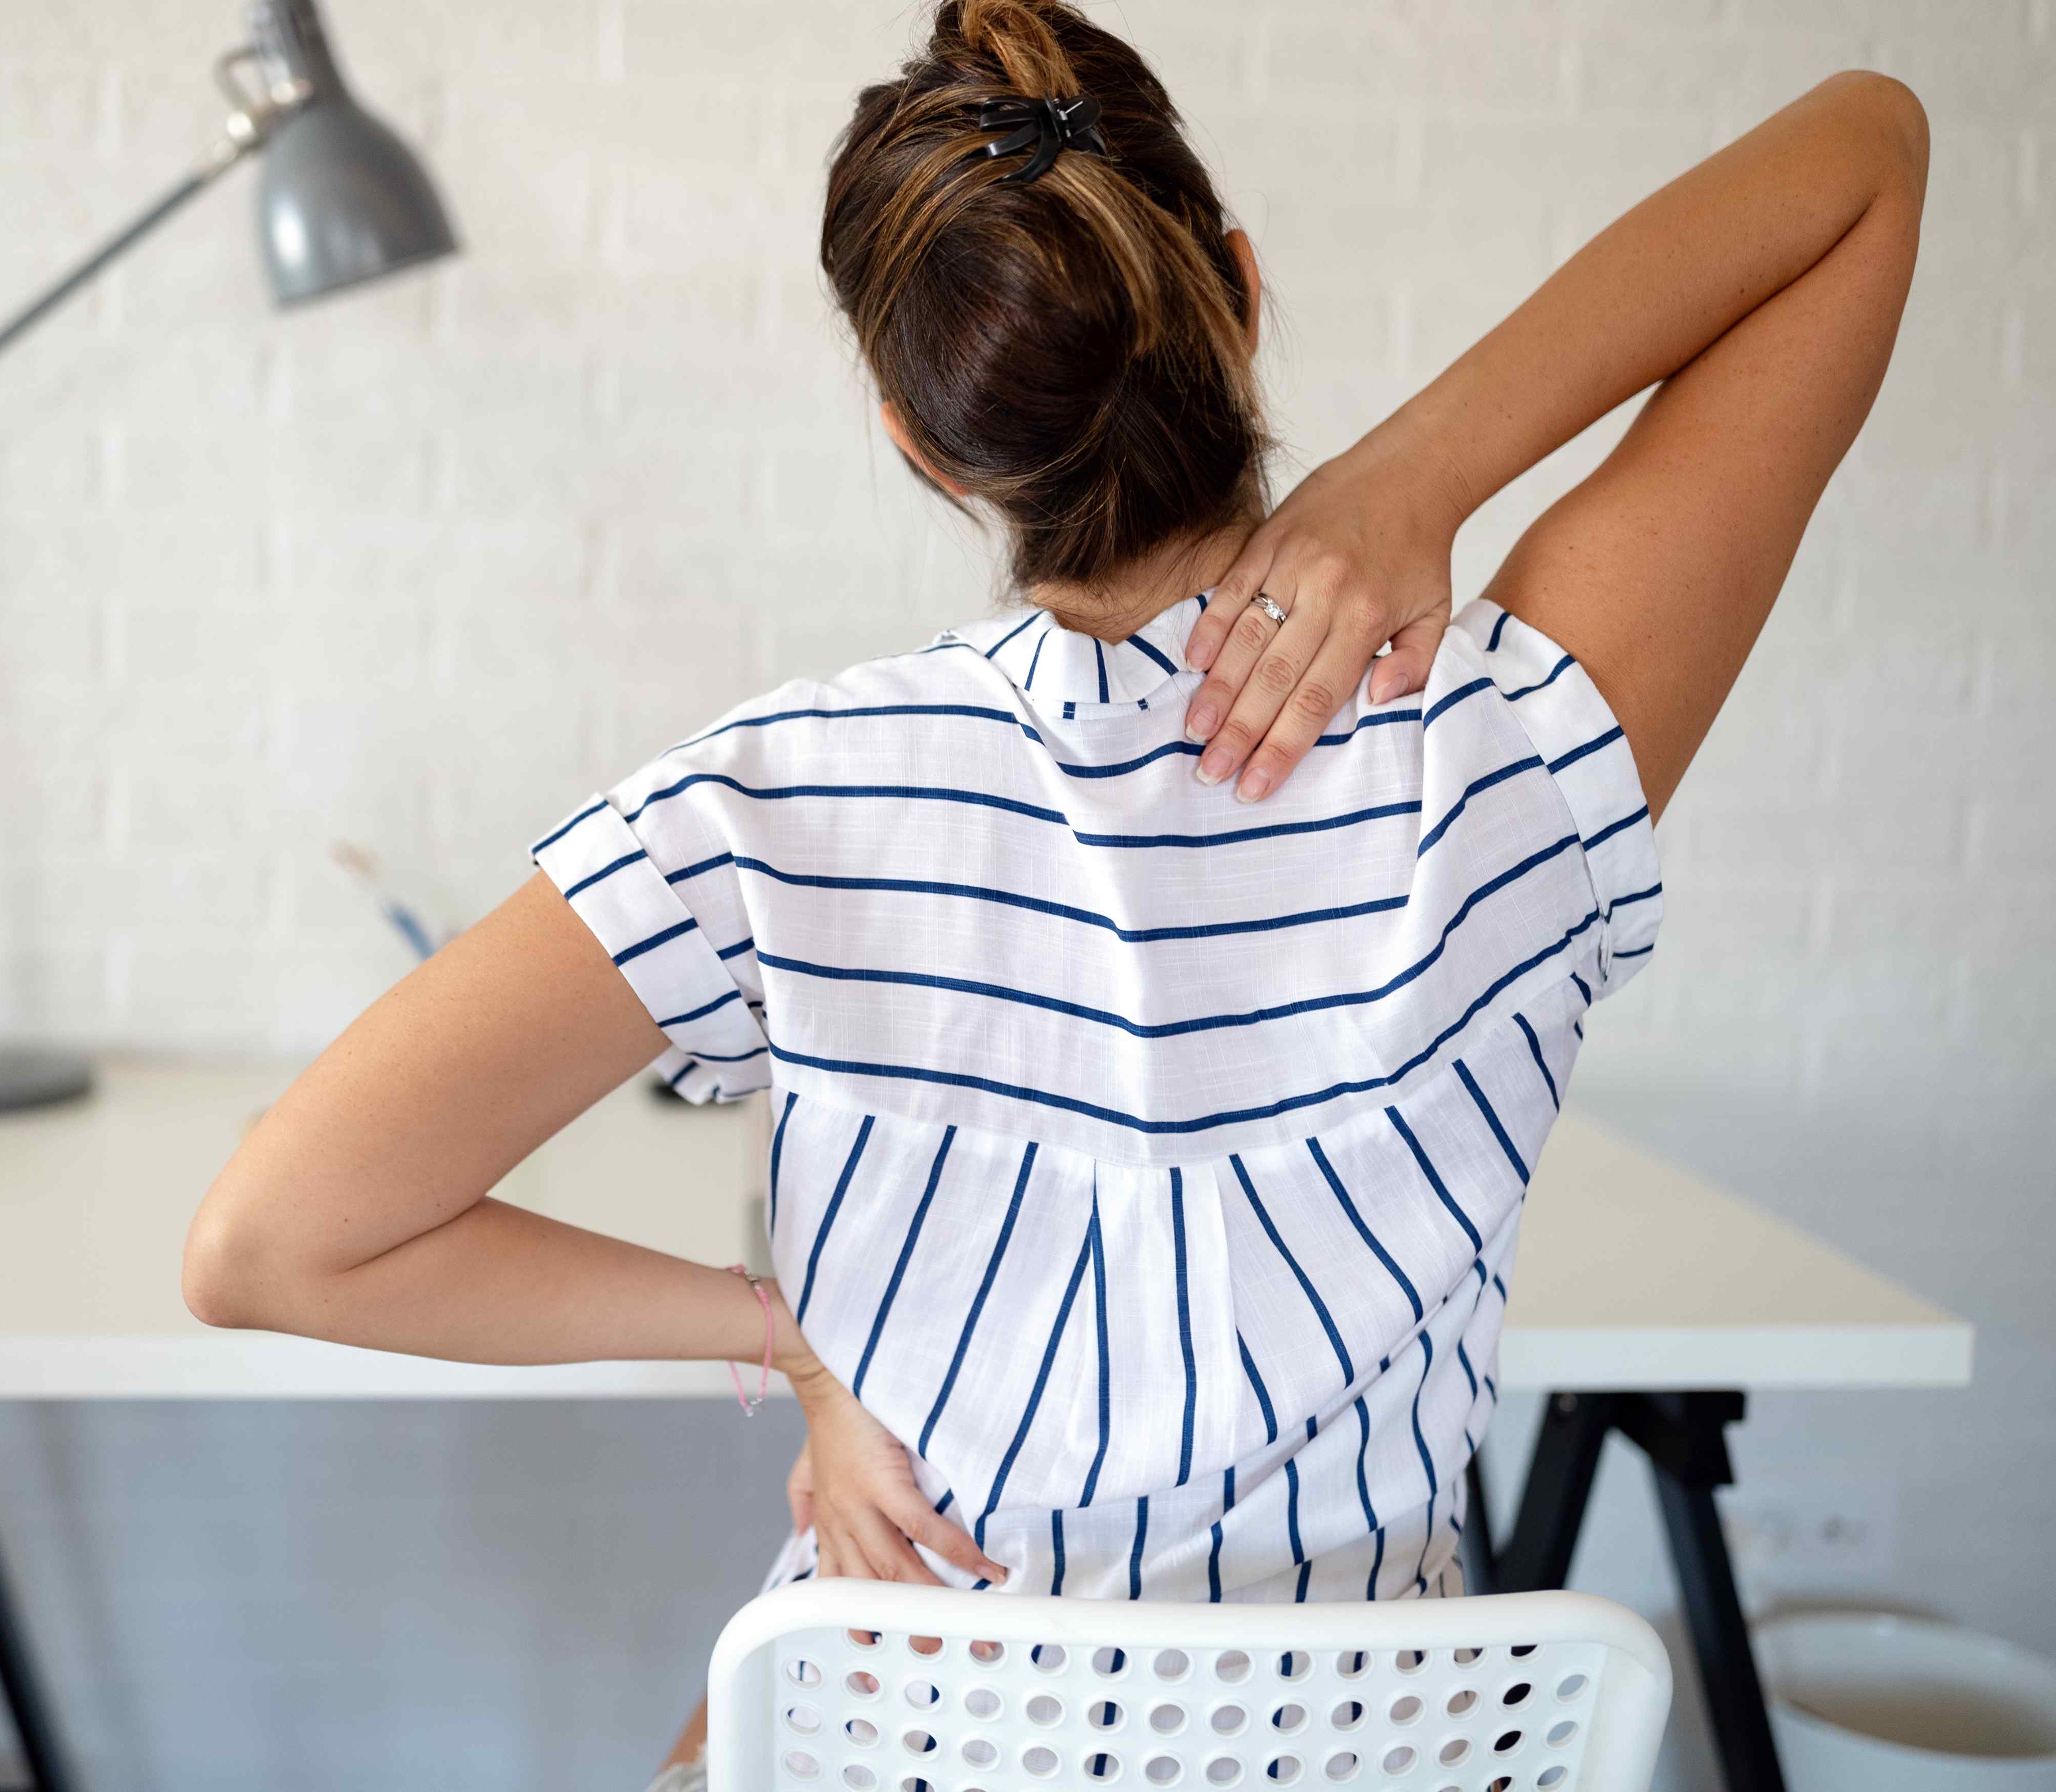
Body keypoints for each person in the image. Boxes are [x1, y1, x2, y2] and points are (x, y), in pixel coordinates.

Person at [181, 2, 1927, 1783]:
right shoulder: (1502, 750)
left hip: (918, 1738)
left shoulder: (772, 812)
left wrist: (790, 1341)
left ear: (920, 446)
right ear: (1238, 292)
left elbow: (267, 1244)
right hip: (1354, 1750)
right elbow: (1864, 151)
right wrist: (1414, 472)